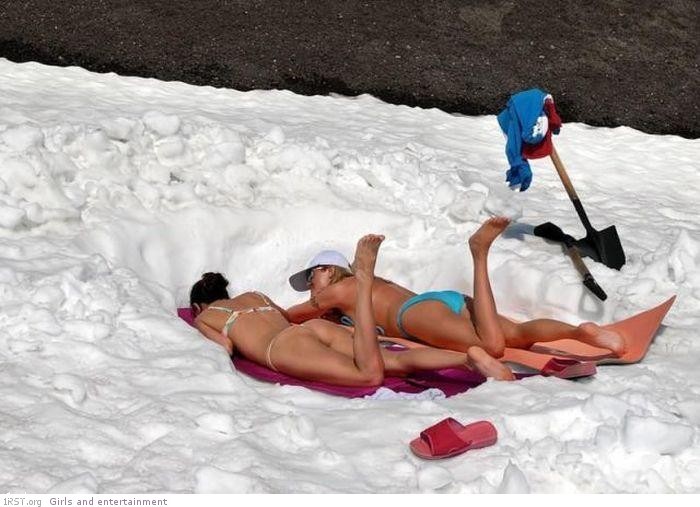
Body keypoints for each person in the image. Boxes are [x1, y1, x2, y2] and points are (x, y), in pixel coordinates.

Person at [190, 234, 514, 387]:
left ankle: (364, 281)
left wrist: (205, 327)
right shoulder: (254, 295)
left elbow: (226, 346)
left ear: (197, 305)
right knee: (393, 361)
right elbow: (283, 316)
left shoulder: (206, 316)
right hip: (310, 331)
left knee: (369, 374)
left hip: (283, 346)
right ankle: (467, 359)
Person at [286, 217, 625, 359]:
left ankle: (479, 253)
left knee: (491, 346)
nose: (311, 289)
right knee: (518, 335)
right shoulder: (368, 285)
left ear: (327, 270)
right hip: (441, 302)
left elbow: (291, 316)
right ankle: (580, 332)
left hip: (413, 315)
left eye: (311, 279)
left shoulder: (339, 290)